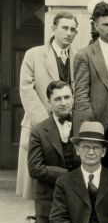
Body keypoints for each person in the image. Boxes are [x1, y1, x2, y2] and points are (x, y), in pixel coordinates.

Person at [28, 81, 80, 223]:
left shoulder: (82, 126)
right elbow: (35, 168)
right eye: (57, 99)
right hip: (48, 201)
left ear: (73, 98)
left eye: (67, 97)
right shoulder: (39, 130)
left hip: (77, 202)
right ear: (49, 103)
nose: (63, 102)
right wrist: (67, 175)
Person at [17, 12, 78, 198]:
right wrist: (46, 125)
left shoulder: (79, 57)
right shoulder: (34, 55)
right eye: (64, 28)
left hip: (67, 126)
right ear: (53, 29)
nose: (69, 33)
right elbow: (26, 90)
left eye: (73, 29)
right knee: (39, 184)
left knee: (65, 183)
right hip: (39, 125)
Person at [73, 1, 108, 169]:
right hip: (98, 119)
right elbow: (81, 94)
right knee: (97, 168)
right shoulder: (85, 55)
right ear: (96, 25)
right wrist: (89, 127)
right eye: (106, 25)